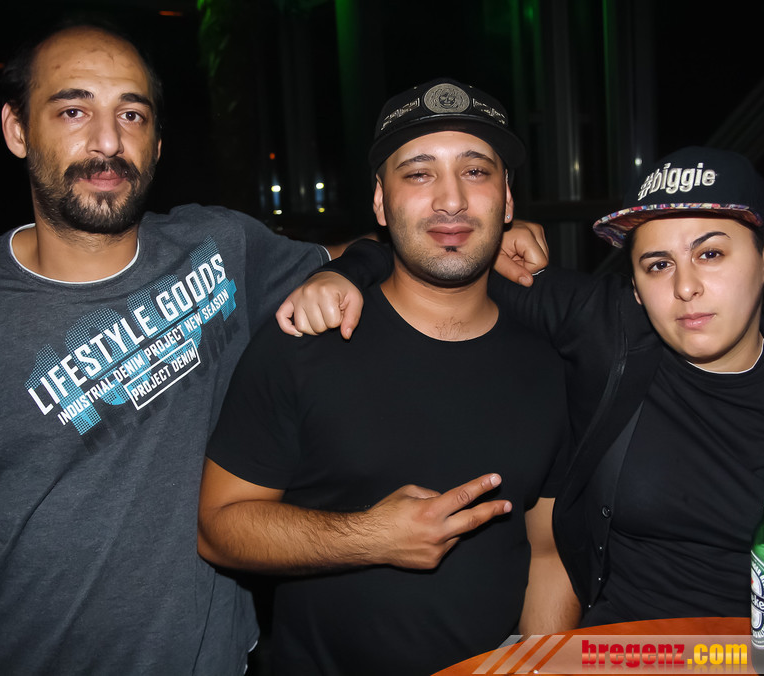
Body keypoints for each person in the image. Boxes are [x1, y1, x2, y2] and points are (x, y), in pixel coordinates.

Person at [0, 21, 335, 675]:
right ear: (17, 130)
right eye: (73, 110)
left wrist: (363, 268)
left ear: (158, 142)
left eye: (132, 114)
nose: (109, 142)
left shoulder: (221, 251)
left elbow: (368, 259)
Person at [278, 146, 764, 628]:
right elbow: (432, 253)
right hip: (621, 651)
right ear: (635, 284)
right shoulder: (605, 328)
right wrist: (348, 270)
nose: (686, 288)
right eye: (658, 264)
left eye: (711, 254)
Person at [196, 78, 577, 676]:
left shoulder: (553, 360)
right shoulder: (305, 339)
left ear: (507, 201)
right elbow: (219, 528)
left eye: (476, 172)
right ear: (380, 202)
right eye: (419, 173)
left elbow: (549, 549)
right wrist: (370, 536)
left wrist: (544, 663)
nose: (451, 200)